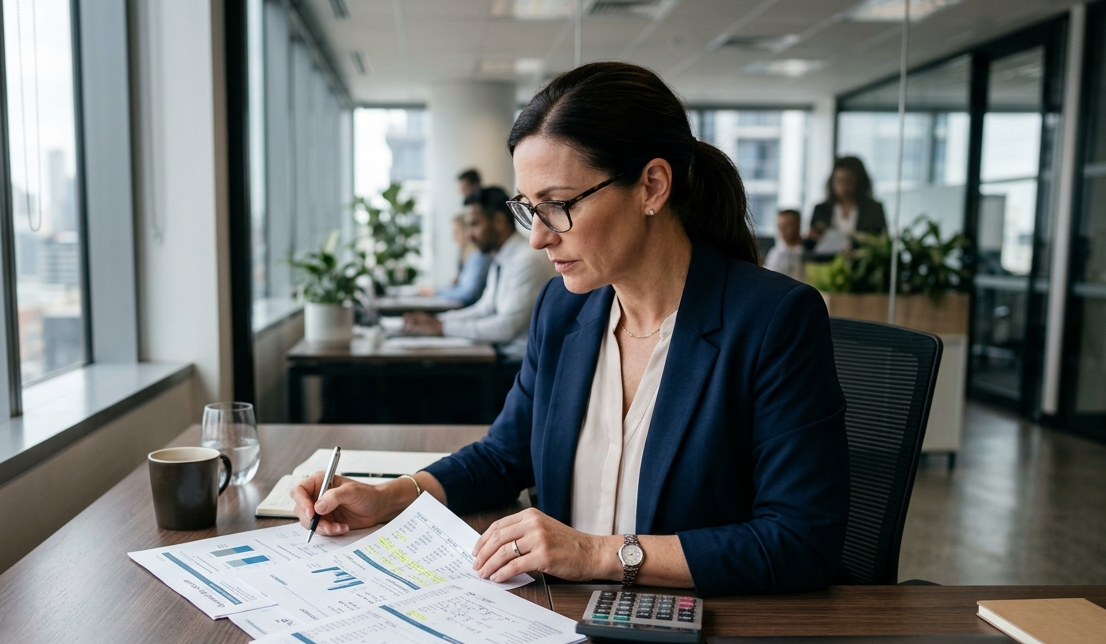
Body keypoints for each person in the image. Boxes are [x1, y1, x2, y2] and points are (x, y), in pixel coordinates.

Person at [293, 62, 849, 598]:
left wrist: (595, 554)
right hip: (557, 618)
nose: (538, 237)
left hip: (699, 632)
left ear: (652, 186)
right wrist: (390, 497)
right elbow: (503, 455)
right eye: (528, 208)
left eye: (557, 205)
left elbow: (800, 541)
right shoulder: (562, 310)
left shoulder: (774, 319)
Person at [401, 186, 551, 360]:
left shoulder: (527, 260)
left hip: (516, 364)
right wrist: (438, 320)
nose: (469, 235)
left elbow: (506, 328)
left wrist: (442, 327)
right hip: (500, 355)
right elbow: (484, 309)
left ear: (499, 221)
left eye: (474, 224)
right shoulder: (502, 258)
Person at [807, 156, 887, 256]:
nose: (843, 186)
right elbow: (810, 246)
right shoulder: (821, 209)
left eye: (848, 181)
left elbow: (881, 244)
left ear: (859, 181)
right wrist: (814, 236)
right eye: (839, 181)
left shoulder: (874, 209)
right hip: (826, 262)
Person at [419, 213, 492, 307]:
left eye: (457, 232)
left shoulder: (480, 257)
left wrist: (435, 291)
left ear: (467, 231)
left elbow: (467, 294)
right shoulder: (466, 257)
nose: (454, 238)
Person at [764, 209, 806, 281]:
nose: (782, 230)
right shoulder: (775, 253)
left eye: (787, 225)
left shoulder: (808, 251)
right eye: (780, 226)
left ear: (798, 225)